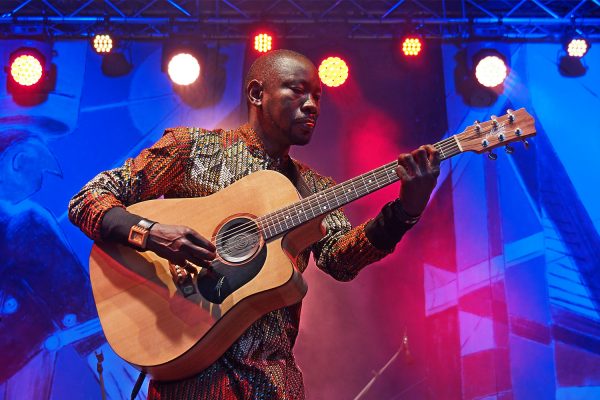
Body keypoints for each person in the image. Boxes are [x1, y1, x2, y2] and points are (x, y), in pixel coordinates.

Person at [68, 49, 440, 399]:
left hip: (273, 383)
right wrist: (150, 233)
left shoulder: (314, 190)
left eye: (319, 96)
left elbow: (341, 261)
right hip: (190, 378)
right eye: (298, 91)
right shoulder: (192, 149)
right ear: (256, 93)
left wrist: (405, 211)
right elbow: (88, 198)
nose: (312, 105)